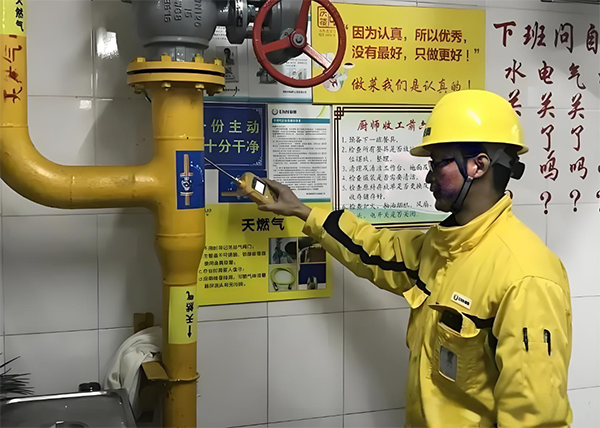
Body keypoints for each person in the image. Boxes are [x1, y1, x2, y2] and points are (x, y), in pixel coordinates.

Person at [259, 90, 572, 428]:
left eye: (438, 164)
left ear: (478, 166)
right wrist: (302, 211)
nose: (429, 177)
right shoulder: (440, 248)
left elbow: (535, 418)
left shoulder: (526, 277)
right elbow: (374, 250)